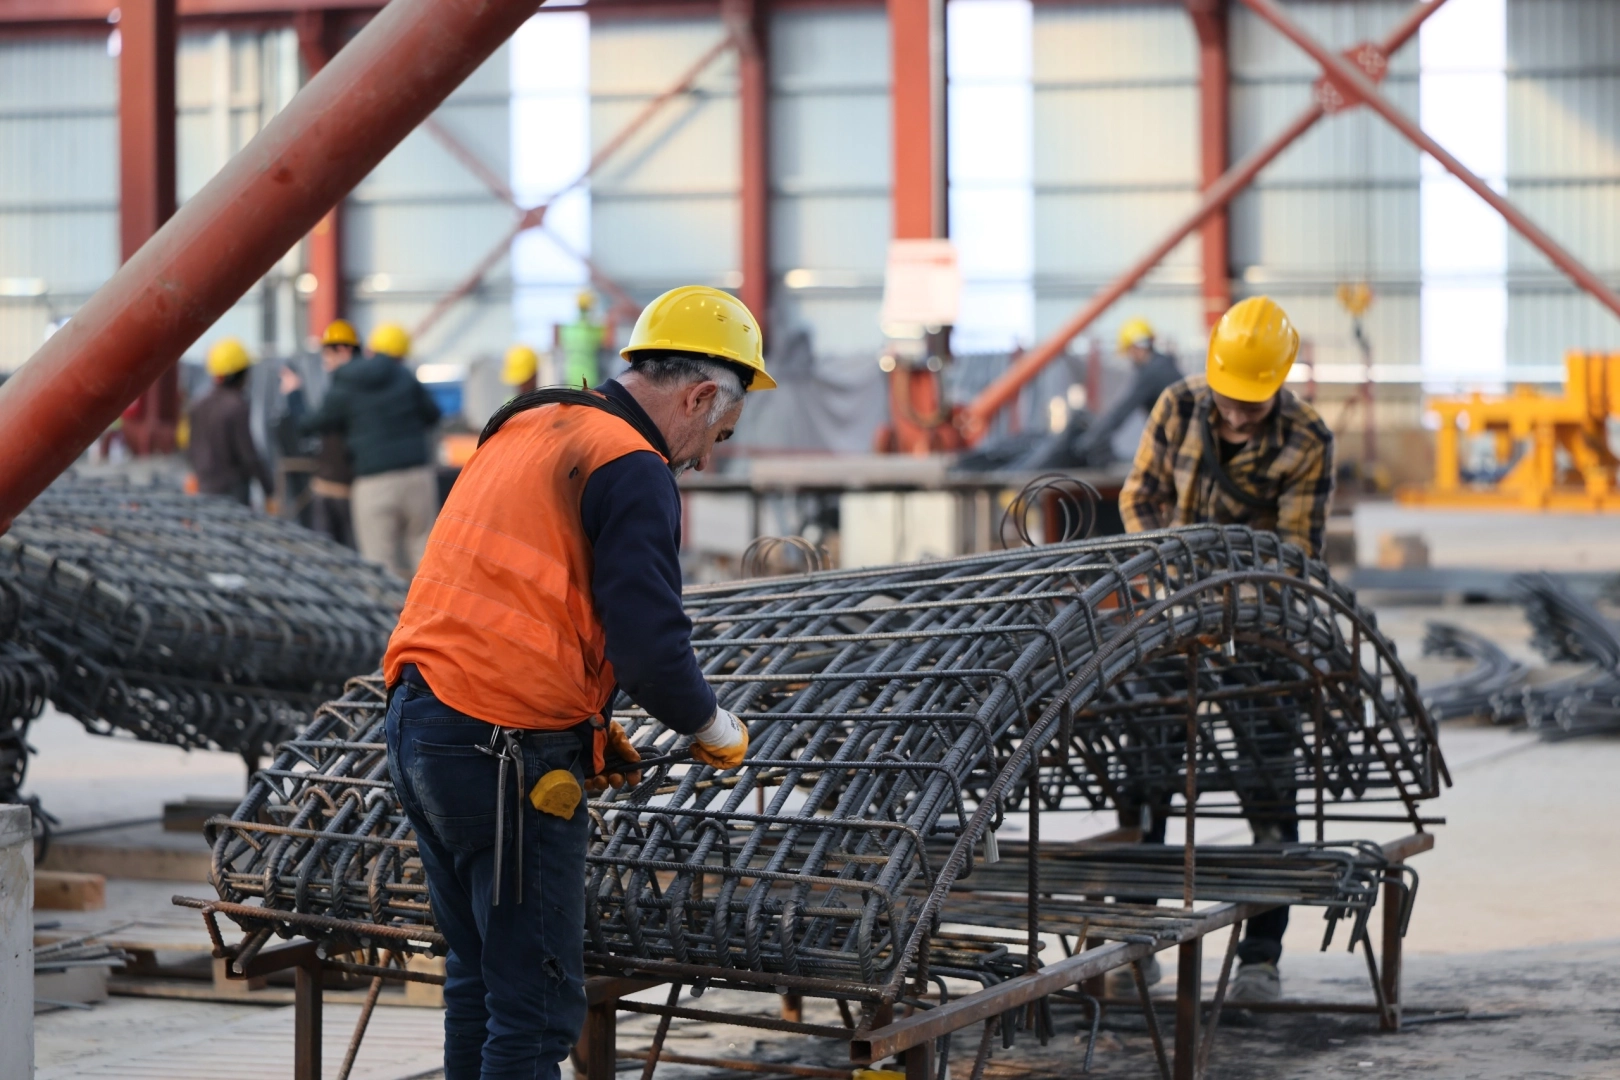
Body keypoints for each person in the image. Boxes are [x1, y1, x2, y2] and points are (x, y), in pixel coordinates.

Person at [381, 284, 774, 1079]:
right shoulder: (632, 466)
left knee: (480, 982)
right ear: (699, 396)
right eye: (717, 434)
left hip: (420, 722)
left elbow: (525, 599)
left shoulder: (531, 421)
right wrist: (712, 725)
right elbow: (650, 647)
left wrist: (587, 722)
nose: (703, 458)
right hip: (503, 753)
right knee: (536, 1009)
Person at [1115, 295, 1335, 1004]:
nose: (1239, 417)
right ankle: (1135, 940)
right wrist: (1173, 580)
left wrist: (1229, 599)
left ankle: (1260, 957)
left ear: (1279, 385)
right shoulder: (1178, 406)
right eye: (1231, 402)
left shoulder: (1307, 439)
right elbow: (1140, 498)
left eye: (1253, 404)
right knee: (1147, 772)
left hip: (1258, 626)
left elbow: (1295, 553)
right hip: (1170, 616)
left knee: (1268, 775)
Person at [300, 322, 441, 578]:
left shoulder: (347, 381)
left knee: (379, 568)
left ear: (369, 350)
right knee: (425, 559)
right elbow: (433, 415)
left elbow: (315, 423)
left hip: (374, 483)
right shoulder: (405, 376)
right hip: (417, 477)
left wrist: (294, 397)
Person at [280, 319, 361, 547]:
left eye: (327, 353)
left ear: (343, 350)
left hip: (338, 487)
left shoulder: (345, 388)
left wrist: (294, 394)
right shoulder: (362, 384)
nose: (324, 361)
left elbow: (309, 424)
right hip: (349, 486)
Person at [1069, 317, 1182, 464]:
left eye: (1129, 351)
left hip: (1177, 444)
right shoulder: (1165, 365)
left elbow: (1122, 410)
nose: (1130, 357)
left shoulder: (1153, 372)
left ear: (1135, 348)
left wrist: (1089, 440)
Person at [187, 337, 275, 508]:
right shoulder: (237, 406)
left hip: (205, 490)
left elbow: (190, 449)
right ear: (238, 374)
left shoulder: (198, 405)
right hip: (233, 495)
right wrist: (269, 490)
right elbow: (248, 455)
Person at [559, 289, 605, 387]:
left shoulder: (567, 329)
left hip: (570, 379)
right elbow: (607, 342)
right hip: (589, 381)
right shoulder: (594, 330)